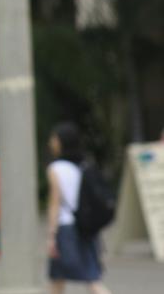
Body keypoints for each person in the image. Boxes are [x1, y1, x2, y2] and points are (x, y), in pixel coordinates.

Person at [47, 122, 111, 294]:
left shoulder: (56, 168)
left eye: (54, 139)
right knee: (91, 278)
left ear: (61, 142)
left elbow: (55, 203)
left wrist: (52, 235)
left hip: (65, 227)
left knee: (58, 278)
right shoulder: (84, 165)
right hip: (85, 226)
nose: (51, 142)